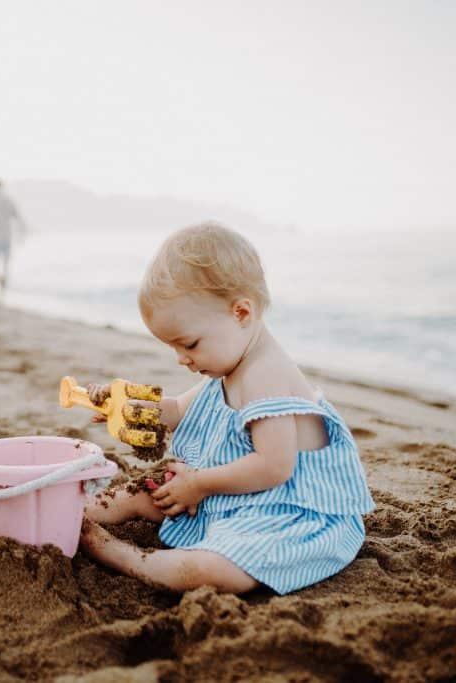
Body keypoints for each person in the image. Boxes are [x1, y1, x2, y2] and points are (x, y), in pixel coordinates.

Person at [81, 222, 374, 595]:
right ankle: (86, 513)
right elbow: (175, 411)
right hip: (246, 497)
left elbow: (275, 466)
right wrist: (124, 408)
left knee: (210, 570)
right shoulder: (226, 365)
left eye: (189, 344)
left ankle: (124, 557)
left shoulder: (265, 375)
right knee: (148, 491)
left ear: (241, 313)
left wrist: (199, 484)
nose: (181, 360)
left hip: (291, 515)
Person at [0, 179, 26, 290]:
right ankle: (3, 283)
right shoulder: (8, 199)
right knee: (5, 263)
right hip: (6, 234)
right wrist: (22, 231)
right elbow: (17, 216)